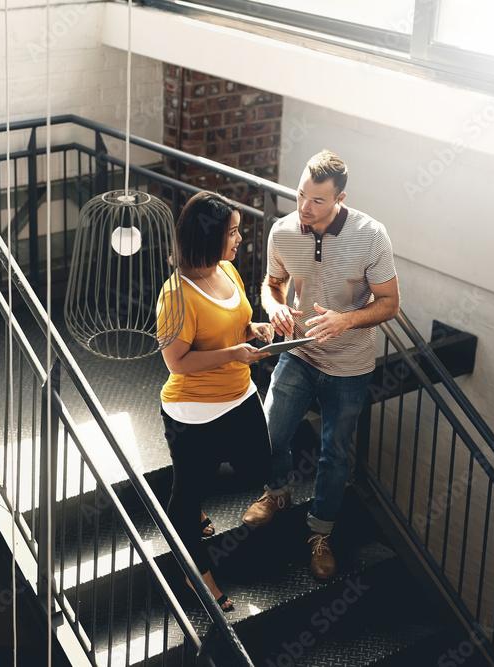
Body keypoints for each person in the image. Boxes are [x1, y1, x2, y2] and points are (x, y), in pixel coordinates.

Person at [242, 150, 400, 580]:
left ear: (340, 198)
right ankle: (277, 493)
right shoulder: (282, 231)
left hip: (349, 365)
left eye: (316, 201)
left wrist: (345, 319)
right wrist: (274, 306)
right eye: (300, 196)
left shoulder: (372, 236)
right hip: (298, 350)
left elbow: (390, 304)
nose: (304, 209)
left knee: (334, 454)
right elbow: (271, 284)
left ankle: (321, 533)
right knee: (271, 431)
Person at [156, 190, 274, 611]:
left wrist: (254, 330)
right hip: (194, 413)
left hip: (240, 395)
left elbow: (236, 327)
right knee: (185, 499)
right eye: (233, 232)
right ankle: (197, 578)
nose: (240, 239)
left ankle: (195, 504)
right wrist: (233, 354)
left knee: (260, 467)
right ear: (209, 237)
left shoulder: (228, 271)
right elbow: (177, 363)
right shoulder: (176, 295)